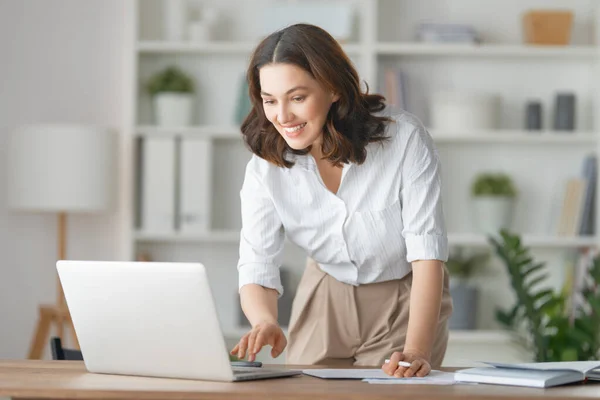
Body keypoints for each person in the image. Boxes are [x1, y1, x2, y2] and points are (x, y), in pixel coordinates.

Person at [230, 23, 453, 378]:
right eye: (270, 100)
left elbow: (427, 253)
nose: (282, 116)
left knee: (395, 388)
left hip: (403, 292)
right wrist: (264, 320)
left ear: (333, 88)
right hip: (325, 290)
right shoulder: (265, 166)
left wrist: (415, 349)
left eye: (297, 97)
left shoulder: (404, 140)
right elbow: (257, 260)